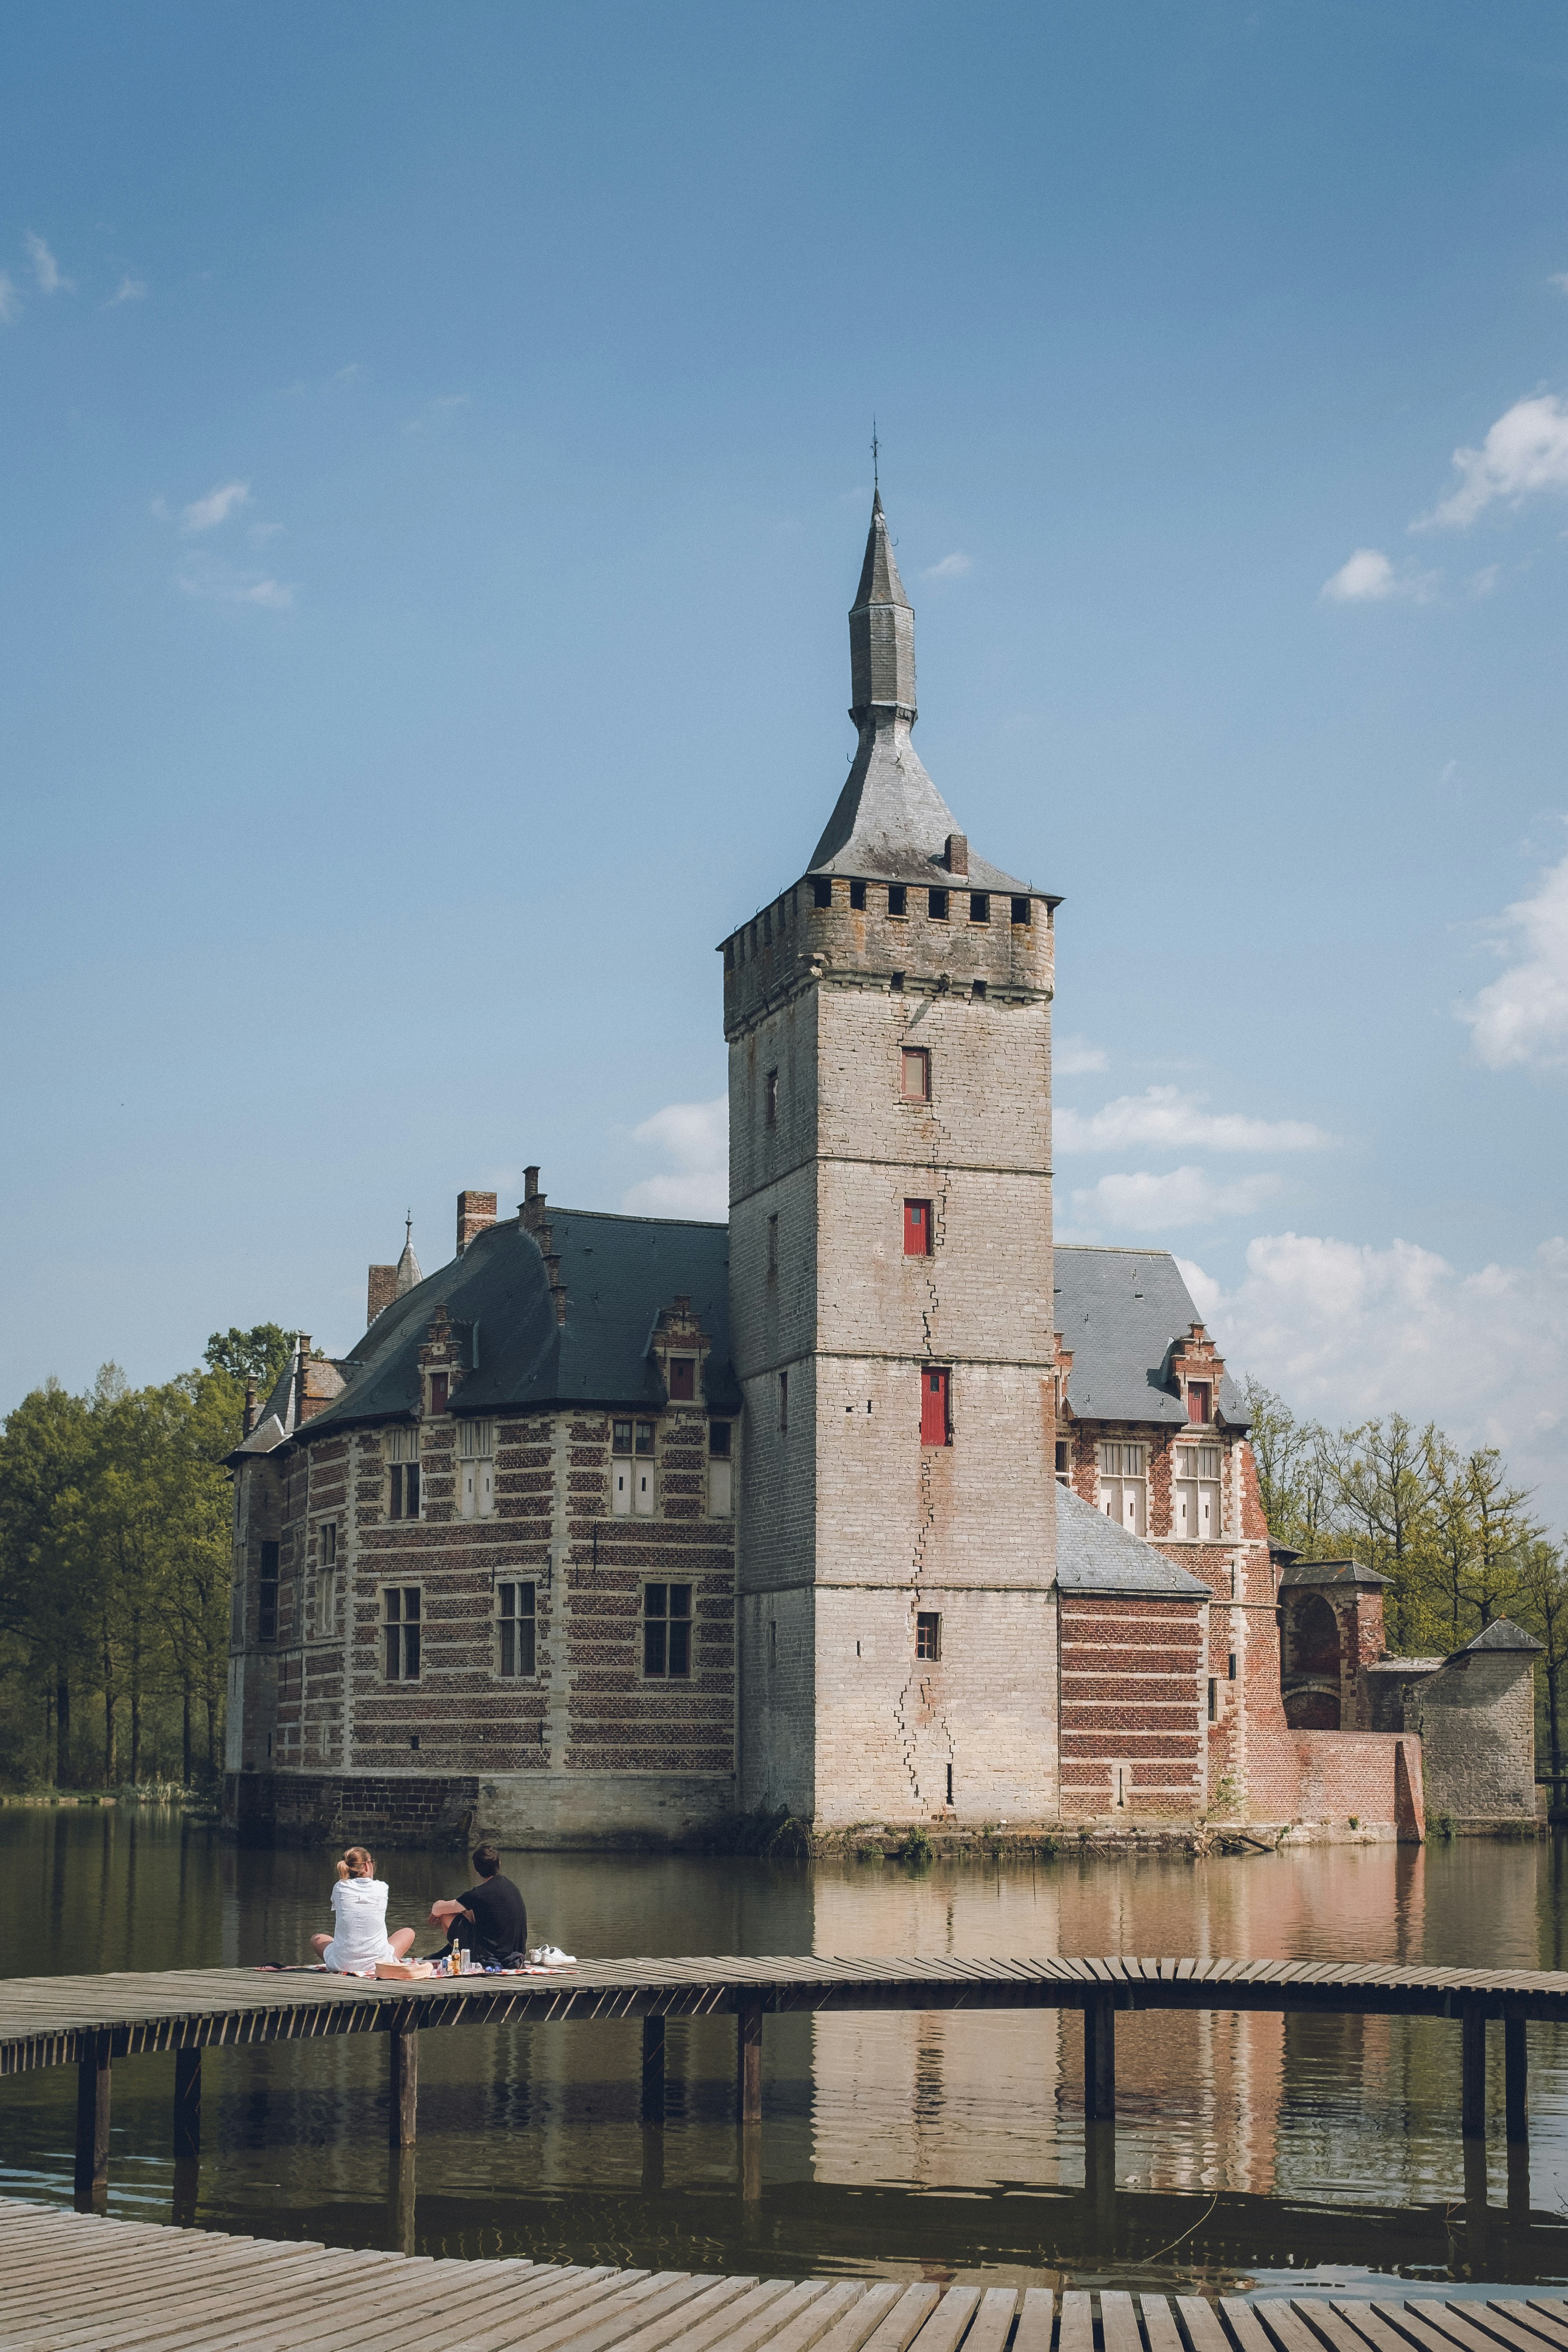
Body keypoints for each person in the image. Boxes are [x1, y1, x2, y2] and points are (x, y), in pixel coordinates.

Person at [310, 1847, 418, 1974]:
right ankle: (385, 1959)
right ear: (367, 1865)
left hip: (342, 1965)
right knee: (409, 1932)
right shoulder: (382, 1888)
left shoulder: (339, 1888)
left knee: (317, 1938)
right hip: (380, 1964)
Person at [427, 1843, 527, 1968]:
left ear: (476, 1869)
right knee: (469, 1912)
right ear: (499, 1864)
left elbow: (438, 1908)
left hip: (493, 1956)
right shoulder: (511, 1886)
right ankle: (447, 1952)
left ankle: (459, 1955)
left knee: (447, 1915)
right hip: (516, 1953)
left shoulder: (479, 1894)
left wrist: (439, 1912)